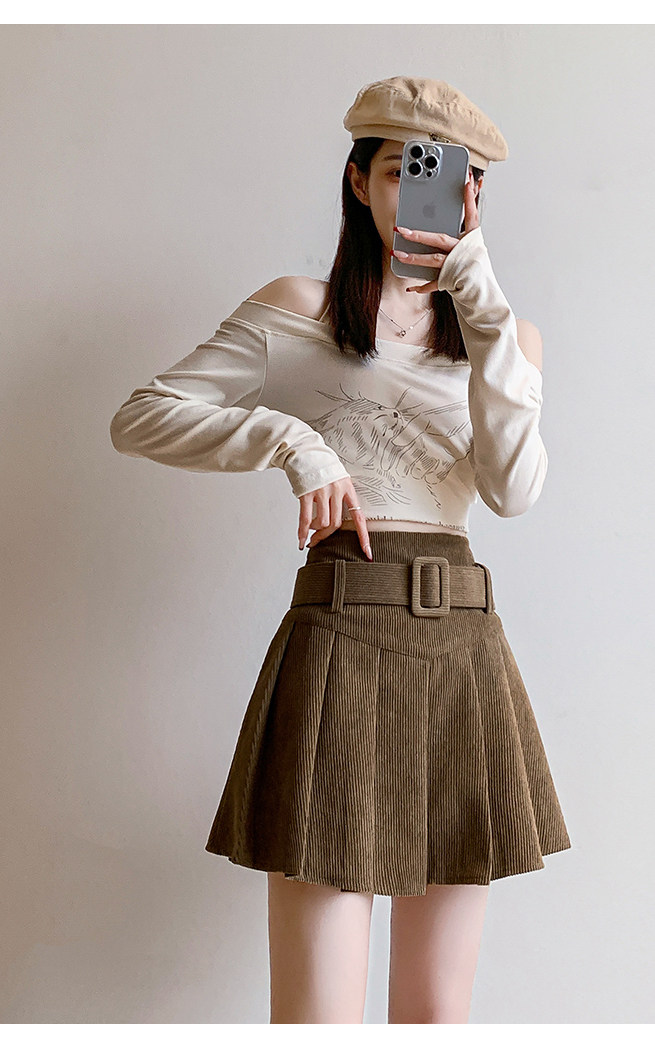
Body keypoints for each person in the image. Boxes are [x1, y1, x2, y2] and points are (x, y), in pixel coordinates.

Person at [109, 75, 572, 1025]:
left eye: (448, 178)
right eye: (402, 171)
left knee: (436, 1014)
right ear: (360, 182)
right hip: (339, 644)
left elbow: (514, 492)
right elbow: (142, 415)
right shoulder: (302, 309)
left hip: (463, 654)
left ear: (475, 196)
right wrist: (291, 441)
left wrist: (482, 304)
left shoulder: (508, 337)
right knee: (317, 1015)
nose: (422, 195)